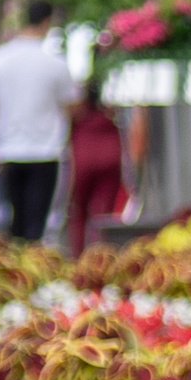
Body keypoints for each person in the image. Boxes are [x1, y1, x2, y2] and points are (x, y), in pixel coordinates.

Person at [0, 0, 78, 243]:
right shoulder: (55, 63)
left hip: (8, 149)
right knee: (36, 222)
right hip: (46, 151)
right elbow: (70, 108)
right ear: (47, 22)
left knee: (13, 219)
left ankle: (15, 268)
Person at [66, 76, 124, 254]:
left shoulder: (79, 116)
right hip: (110, 158)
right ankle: (102, 255)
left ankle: (79, 256)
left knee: (78, 212)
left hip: (82, 159)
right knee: (105, 213)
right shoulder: (109, 117)